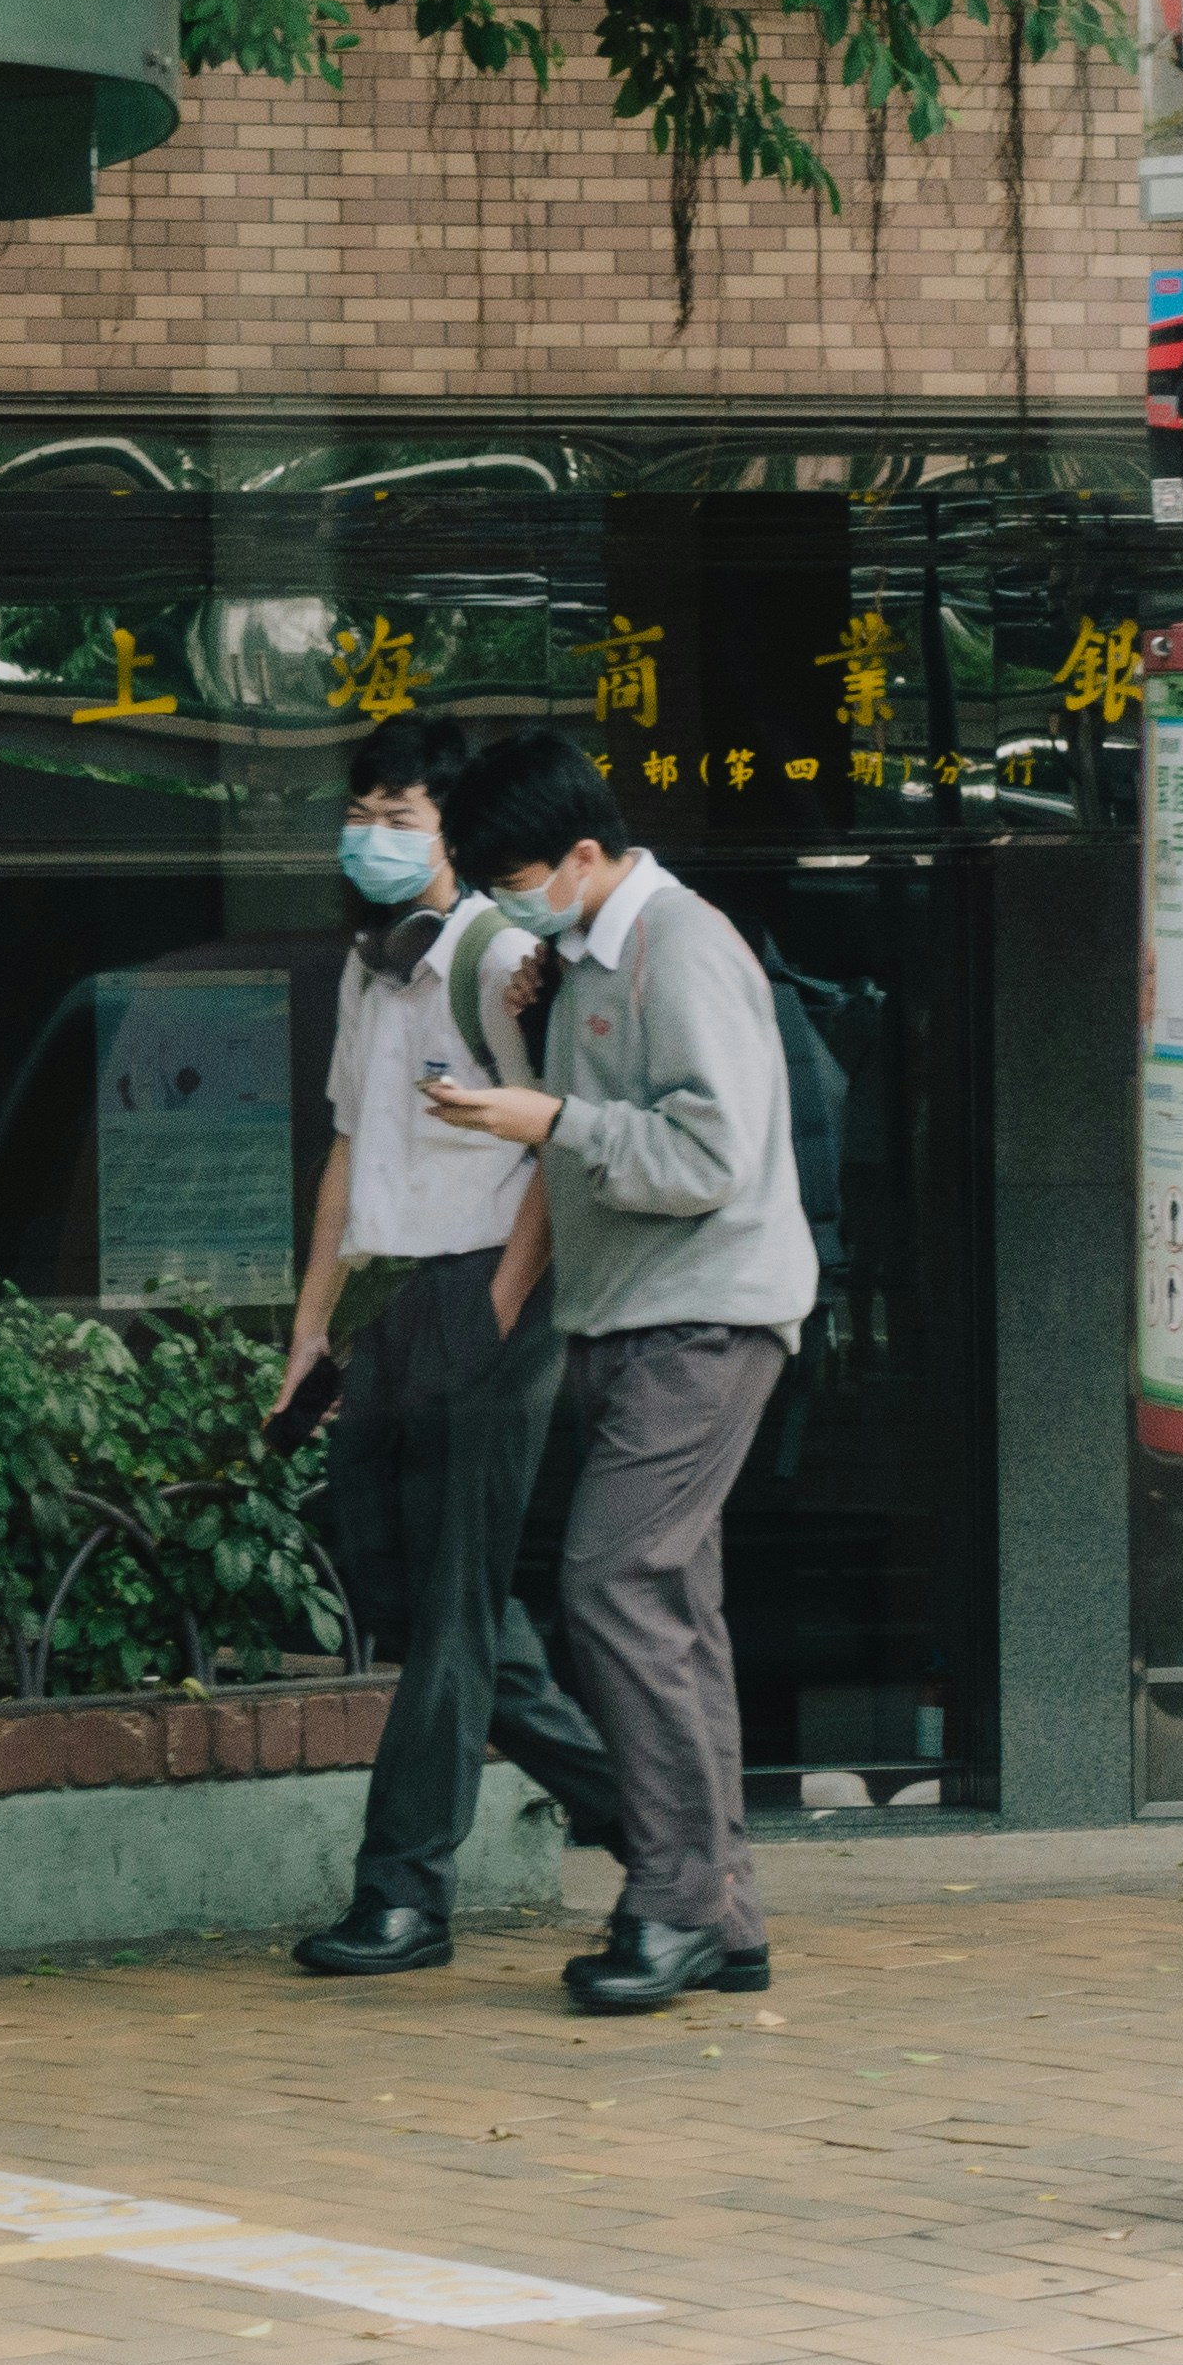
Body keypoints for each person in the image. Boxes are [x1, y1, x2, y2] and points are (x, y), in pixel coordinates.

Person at [417, 735, 817, 2016]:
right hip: (641, 1317)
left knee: (614, 1580)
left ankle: (673, 1902)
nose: (513, 903)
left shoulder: (679, 943)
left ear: (584, 855)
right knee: (668, 1608)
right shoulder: (589, 953)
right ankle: (722, 1914)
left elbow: (709, 1154)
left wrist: (550, 1118)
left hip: (703, 1316)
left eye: (523, 879)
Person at [279, 715, 625, 1978]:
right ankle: (662, 1825)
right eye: (360, 811)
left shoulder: (501, 957)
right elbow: (349, 1150)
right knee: (419, 1593)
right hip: (388, 1300)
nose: (373, 836)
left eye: (402, 816)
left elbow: (559, 1133)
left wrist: (500, 1301)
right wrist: (311, 1327)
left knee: (449, 1612)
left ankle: (405, 1892)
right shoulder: (372, 966)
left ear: (455, 834)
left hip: (486, 1289)